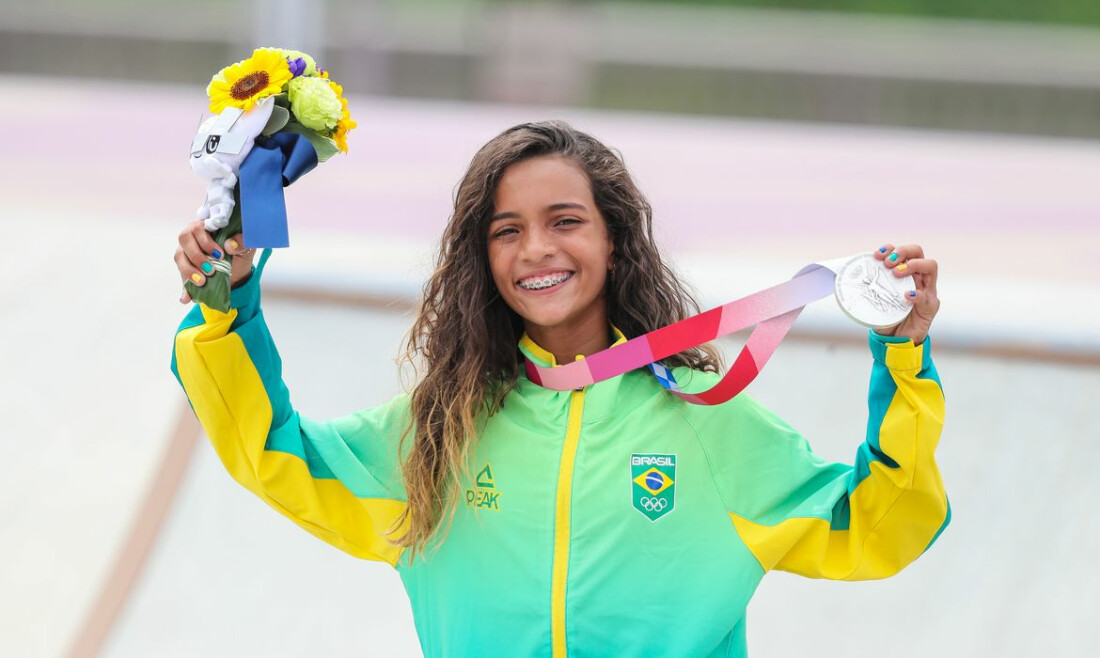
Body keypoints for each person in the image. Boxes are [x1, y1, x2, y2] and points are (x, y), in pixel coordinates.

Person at [171, 121, 948, 657]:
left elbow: (880, 524)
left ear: (614, 240)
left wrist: (902, 355)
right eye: (507, 230)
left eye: (565, 220)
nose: (536, 248)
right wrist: (227, 303)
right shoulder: (439, 431)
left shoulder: (708, 427)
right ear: (485, 258)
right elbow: (273, 450)